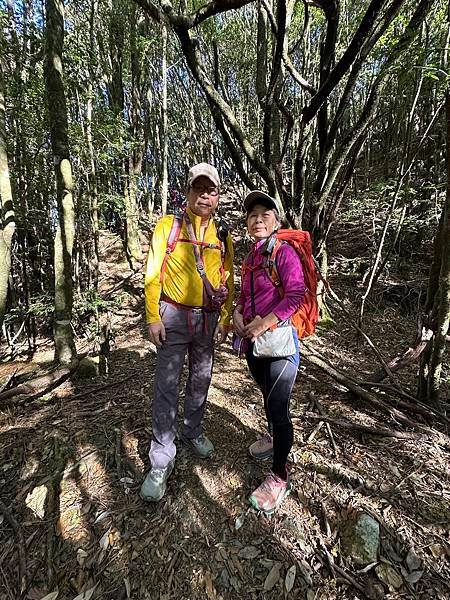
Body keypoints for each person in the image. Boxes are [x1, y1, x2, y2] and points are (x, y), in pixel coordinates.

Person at [140, 163, 234, 502]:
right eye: (199, 189)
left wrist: (224, 318)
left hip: (207, 321)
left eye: (211, 191)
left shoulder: (222, 235)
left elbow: (228, 279)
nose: (205, 196)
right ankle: (161, 459)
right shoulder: (168, 226)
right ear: (189, 192)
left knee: (200, 379)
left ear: (218, 197)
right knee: (167, 385)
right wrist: (153, 316)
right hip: (173, 316)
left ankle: (192, 429)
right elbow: (153, 274)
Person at [233, 190, 305, 515]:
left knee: (278, 408)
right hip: (254, 345)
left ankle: (279, 476)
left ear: (276, 220)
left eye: (265, 214)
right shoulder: (250, 259)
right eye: (252, 215)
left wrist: (265, 323)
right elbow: (244, 299)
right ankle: (275, 439)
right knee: (267, 399)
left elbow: (296, 295)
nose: (258, 219)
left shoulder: (283, 252)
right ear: (247, 224)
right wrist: (237, 314)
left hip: (280, 346)